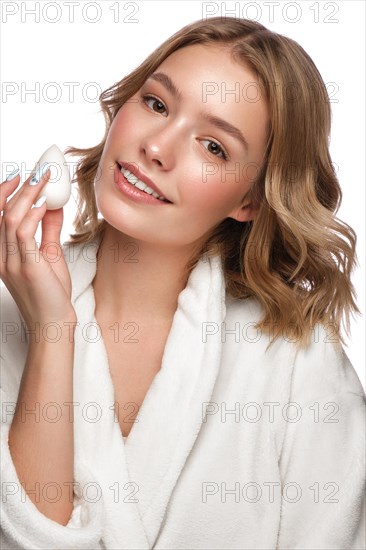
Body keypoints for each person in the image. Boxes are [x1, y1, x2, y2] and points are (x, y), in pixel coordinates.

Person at [1, 16, 365, 550]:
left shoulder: (297, 366)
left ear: (252, 200)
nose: (157, 147)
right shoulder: (7, 318)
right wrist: (53, 332)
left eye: (213, 146)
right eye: (156, 104)